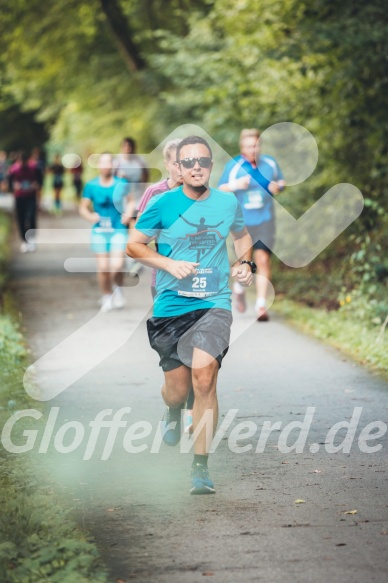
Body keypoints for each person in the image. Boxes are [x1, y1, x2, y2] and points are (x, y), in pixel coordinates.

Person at [127, 135, 256, 495]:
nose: (196, 167)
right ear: (178, 169)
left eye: (203, 161)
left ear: (211, 166)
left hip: (213, 304)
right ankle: (172, 411)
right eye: (188, 162)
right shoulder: (163, 203)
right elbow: (134, 244)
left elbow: (243, 238)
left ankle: (200, 468)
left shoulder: (227, 202)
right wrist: (168, 263)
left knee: (204, 379)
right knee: (177, 390)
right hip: (171, 307)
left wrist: (245, 263)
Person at [218, 128, 285, 321]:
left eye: (255, 145)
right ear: (242, 147)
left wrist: (277, 187)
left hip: (265, 219)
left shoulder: (270, 163)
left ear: (259, 145)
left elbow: (280, 181)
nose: (252, 149)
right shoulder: (234, 166)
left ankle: (261, 305)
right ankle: (239, 288)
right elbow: (221, 188)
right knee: (242, 263)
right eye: (248, 146)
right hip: (241, 223)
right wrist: (236, 185)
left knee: (262, 259)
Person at [79, 152, 135, 312]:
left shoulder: (121, 183)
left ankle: (117, 288)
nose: (105, 166)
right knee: (103, 268)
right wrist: (90, 216)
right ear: (98, 166)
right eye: (102, 163)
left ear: (113, 165)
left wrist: (127, 214)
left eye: (108, 162)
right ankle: (106, 296)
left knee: (116, 265)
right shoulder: (91, 185)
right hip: (100, 231)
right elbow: (83, 207)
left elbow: (131, 201)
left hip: (118, 228)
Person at [136, 138, 183, 297]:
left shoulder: (203, 193)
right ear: (166, 165)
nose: (182, 169)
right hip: (164, 280)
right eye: (176, 163)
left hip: (199, 281)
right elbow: (138, 242)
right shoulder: (155, 193)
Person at [9, 151, 39, 253]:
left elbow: (40, 180)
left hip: (31, 197)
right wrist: (14, 186)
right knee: (21, 219)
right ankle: (24, 240)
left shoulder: (34, 168)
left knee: (31, 217)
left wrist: (36, 185)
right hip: (19, 198)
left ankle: (31, 239)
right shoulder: (14, 169)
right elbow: (9, 183)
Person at [114, 137, 149, 218]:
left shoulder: (140, 160)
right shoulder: (117, 161)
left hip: (137, 193)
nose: (127, 148)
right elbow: (112, 178)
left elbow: (146, 175)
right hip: (123, 194)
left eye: (129, 146)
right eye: (125, 146)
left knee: (136, 217)